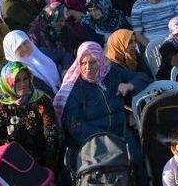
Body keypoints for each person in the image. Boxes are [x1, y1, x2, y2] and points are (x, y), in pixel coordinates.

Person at [53, 42, 148, 181]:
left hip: (121, 132)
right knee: (105, 173)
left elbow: (143, 77)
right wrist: (106, 139)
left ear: (101, 60)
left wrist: (129, 85)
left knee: (137, 164)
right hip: (93, 141)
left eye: (92, 62)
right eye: (83, 63)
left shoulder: (112, 73)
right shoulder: (75, 88)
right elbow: (76, 125)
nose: (87, 68)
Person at [0, 62, 59, 168]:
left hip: (41, 161)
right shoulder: (3, 108)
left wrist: (48, 166)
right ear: (7, 83)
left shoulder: (41, 101)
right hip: (14, 163)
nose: (23, 84)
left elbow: (51, 134)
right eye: (17, 80)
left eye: (25, 78)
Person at [1, 30, 60, 94]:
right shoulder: (16, 73)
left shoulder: (41, 52)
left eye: (25, 43)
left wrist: (65, 69)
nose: (24, 48)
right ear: (11, 52)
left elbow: (64, 55)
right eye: (19, 47)